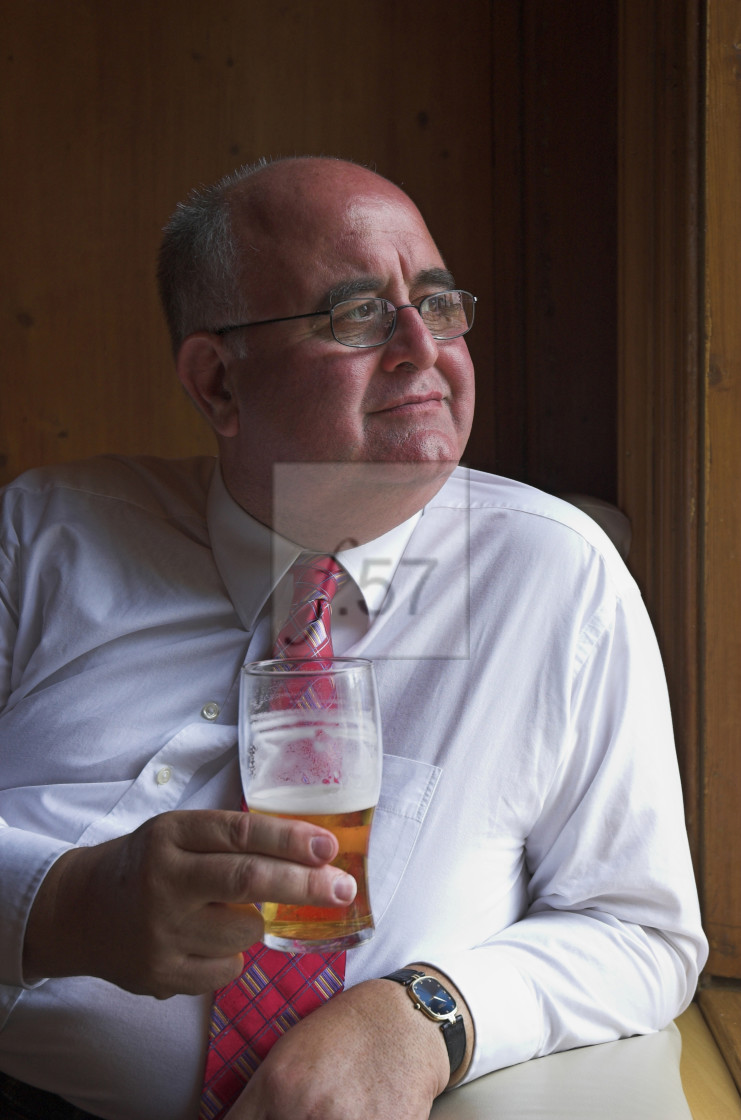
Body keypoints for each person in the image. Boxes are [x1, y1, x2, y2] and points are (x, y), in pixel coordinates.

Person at [0, 156, 707, 1120]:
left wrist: (425, 1016)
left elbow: (639, 932)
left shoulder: (555, 577)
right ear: (217, 384)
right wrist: (61, 907)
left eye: (438, 302)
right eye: (357, 315)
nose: (424, 347)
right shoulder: (41, 537)